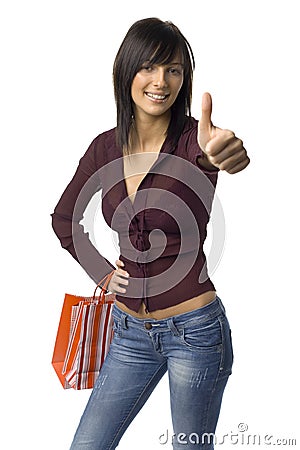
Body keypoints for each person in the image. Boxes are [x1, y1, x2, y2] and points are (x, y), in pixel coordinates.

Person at [51, 17, 250, 450]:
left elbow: (218, 155)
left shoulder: (192, 142)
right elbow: (64, 219)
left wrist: (227, 156)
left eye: (174, 70)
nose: (161, 81)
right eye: (150, 67)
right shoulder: (104, 147)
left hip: (195, 334)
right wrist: (102, 273)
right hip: (129, 333)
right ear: (127, 72)